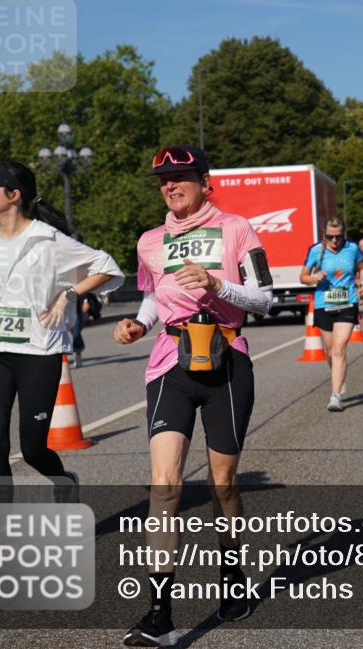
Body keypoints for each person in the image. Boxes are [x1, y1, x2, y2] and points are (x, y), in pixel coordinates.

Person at [113, 146, 273, 646]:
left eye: (180, 176)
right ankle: (159, 614)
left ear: (206, 181)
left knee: (224, 484)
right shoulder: (150, 241)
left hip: (226, 361)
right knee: (165, 485)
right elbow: (151, 296)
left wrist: (217, 283)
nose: (170, 185)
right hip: (169, 364)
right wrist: (138, 324)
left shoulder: (237, 228)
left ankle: (232, 578)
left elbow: (265, 298)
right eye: (163, 179)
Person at [0, 161, 123, 503]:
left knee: (33, 449)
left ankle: (63, 480)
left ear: (14, 194)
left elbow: (106, 267)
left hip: (39, 354)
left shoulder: (49, 240)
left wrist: (68, 295)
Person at [301, 217, 363, 411]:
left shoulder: (352, 249)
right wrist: (315, 277)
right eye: (330, 237)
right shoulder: (315, 251)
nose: (335, 241)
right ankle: (338, 376)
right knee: (329, 352)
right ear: (325, 235)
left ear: (343, 235)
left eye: (339, 237)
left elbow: (362, 269)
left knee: (339, 348)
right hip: (324, 304)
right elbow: (303, 277)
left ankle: (335, 395)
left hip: (348, 303)